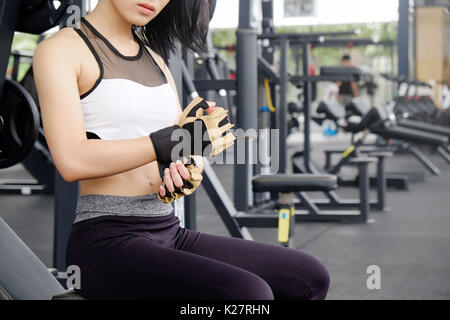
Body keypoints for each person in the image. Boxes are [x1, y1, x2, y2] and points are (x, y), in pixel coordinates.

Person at [33, 0, 329, 300]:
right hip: (106, 238)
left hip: (168, 229)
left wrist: (189, 168)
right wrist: (168, 142)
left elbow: (180, 149)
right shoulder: (62, 50)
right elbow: (71, 160)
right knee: (248, 295)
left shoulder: (155, 59)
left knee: (308, 277)